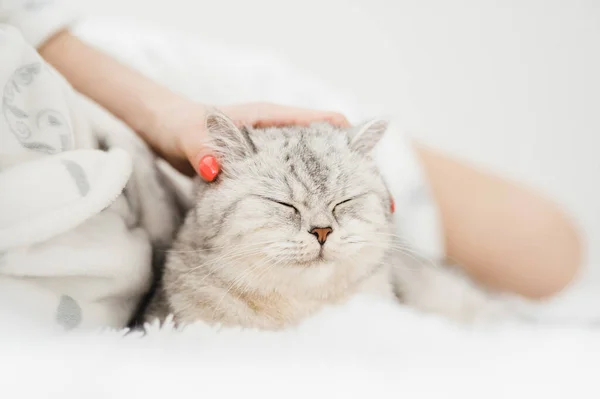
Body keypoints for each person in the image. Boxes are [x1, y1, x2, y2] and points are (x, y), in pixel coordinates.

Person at [0, 1, 581, 329]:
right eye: (291, 213)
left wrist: (168, 115)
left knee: (550, 248)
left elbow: (32, 24)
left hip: (148, 105)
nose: (319, 228)